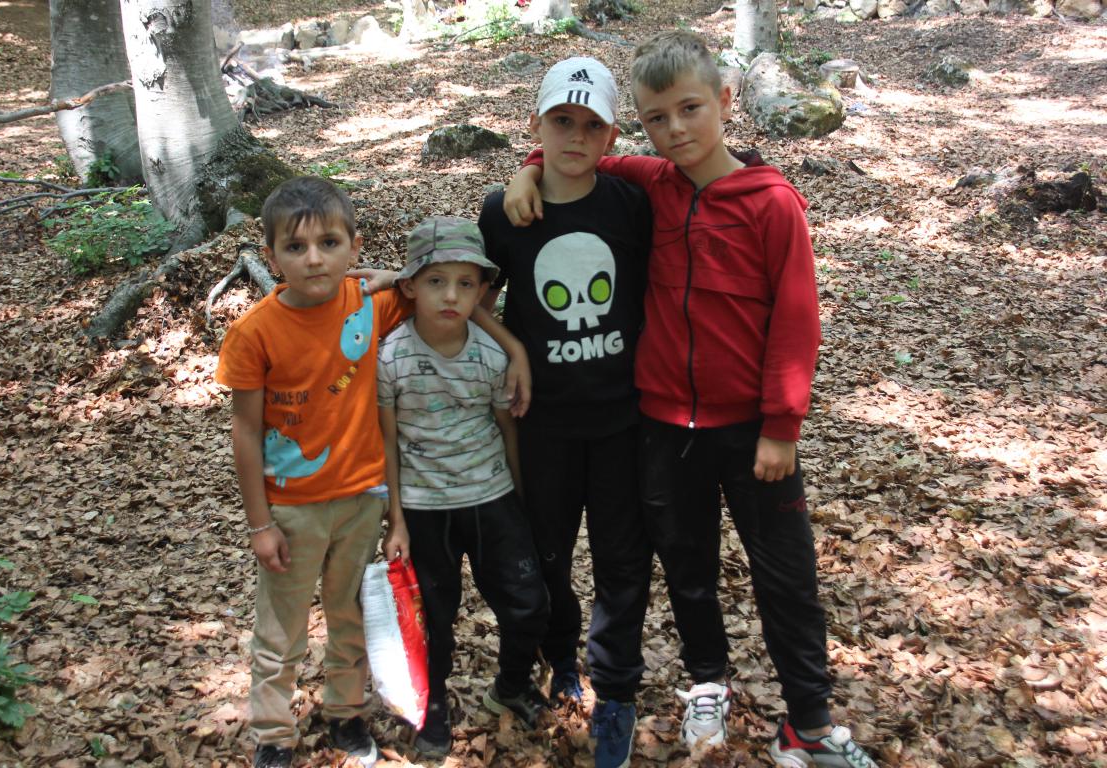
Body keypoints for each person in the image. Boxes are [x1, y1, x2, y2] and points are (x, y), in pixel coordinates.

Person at [503, 32, 880, 768]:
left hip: (754, 434)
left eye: (689, 109)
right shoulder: (655, 183)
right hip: (665, 425)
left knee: (786, 576)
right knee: (687, 567)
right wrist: (529, 167)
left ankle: (808, 724)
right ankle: (708, 681)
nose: (674, 130)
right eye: (656, 118)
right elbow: (580, 154)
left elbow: (796, 320)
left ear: (725, 101)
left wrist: (782, 424)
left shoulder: (772, 204)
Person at [215, 178, 529, 768]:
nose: (314, 259)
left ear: (353, 247)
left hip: (363, 499)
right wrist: (260, 524)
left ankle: (347, 714)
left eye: (329, 243)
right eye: (296, 247)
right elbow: (246, 432)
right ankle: (274, 733)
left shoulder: (371, 303)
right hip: (293, 506)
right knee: (281, 626)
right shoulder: (254, 332)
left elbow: (453, 302)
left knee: (351, 616)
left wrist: (515, 351)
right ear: (272, 256)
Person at [478, 57, 654, 768]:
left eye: (591, 125)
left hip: (623, 422)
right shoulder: (505, 213)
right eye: (561, 121)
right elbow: (472, 299)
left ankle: (617, 693)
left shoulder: (630, 205)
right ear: (536, 125)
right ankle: (560, 660)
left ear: (611, 135)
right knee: (546, 553)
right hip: (542, 424)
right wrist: (514, 348)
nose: (575, 136)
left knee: (621, 562)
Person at [376, 216, 550, 758]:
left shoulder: (492, 356)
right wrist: (396, 518)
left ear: (481, 291)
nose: (450, 296)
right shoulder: (392, 356)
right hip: (424, 508)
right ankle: (433, 706)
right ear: (410, 286)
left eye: (465, 283)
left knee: (527, 603)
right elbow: (387, 443)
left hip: (491, 497)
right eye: (436, 281)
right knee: (435, 617)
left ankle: (511, 684)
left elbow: (506, 429)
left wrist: (519, 500)